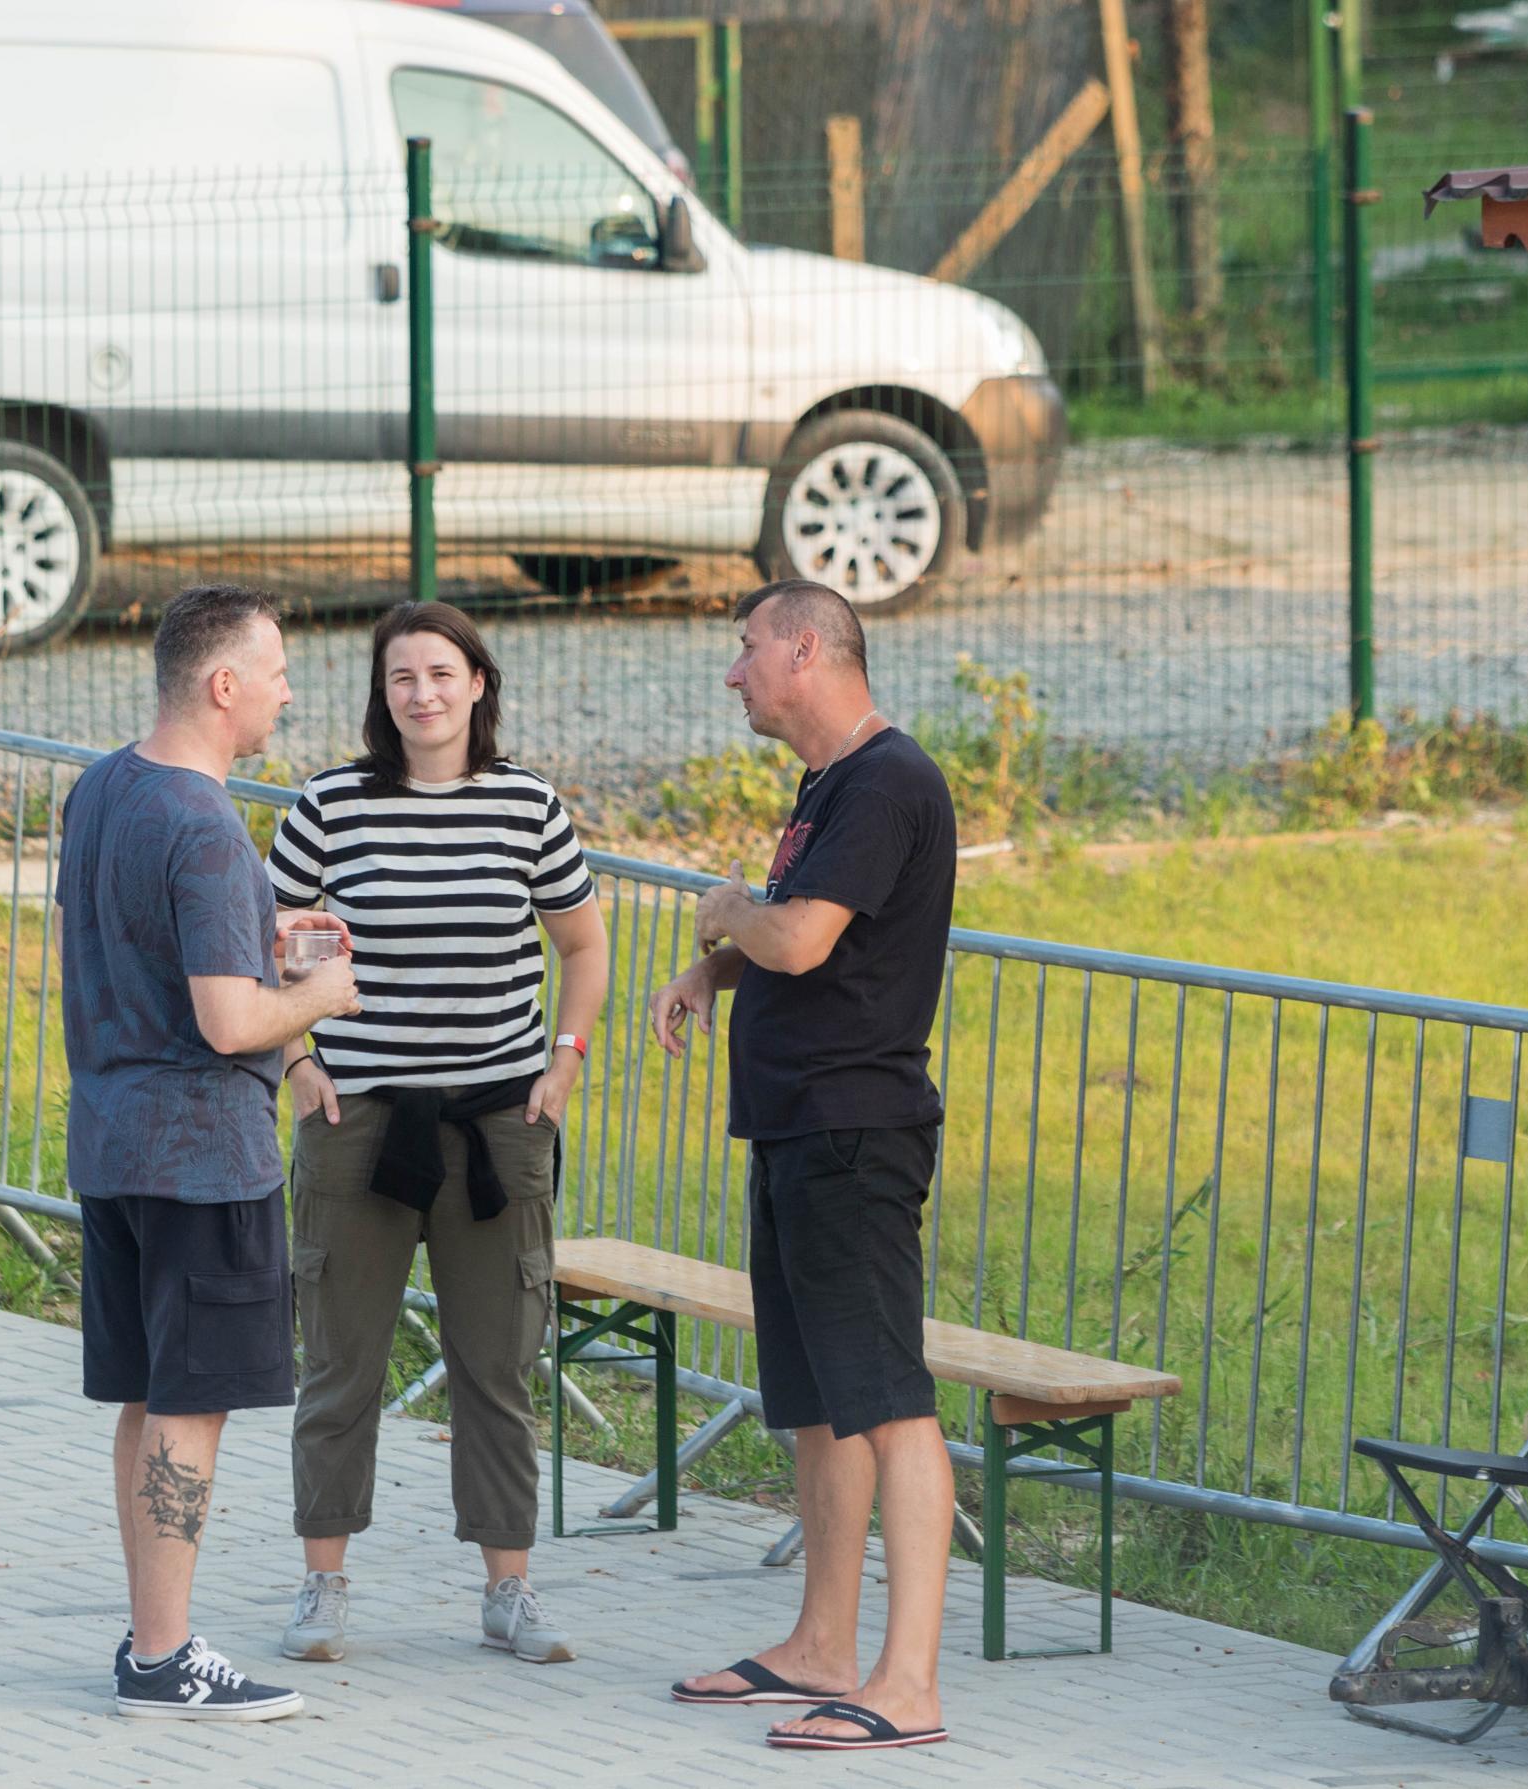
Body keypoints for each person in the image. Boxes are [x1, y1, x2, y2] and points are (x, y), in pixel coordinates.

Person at [265, 600, 610, 1666]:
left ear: (478, 683)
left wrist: (563, 1060)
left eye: (441, 673)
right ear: (382, 694)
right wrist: (297, 1060)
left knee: (497, 1365)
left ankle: (509, 1589)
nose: (422, 693)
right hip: (358, 1122)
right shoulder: (330, 805)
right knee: (341, 1363)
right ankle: (323, 1583)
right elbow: (260, 940)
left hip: (496, 1126)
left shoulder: (528, 806)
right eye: (402, 676)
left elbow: (584, 944)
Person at [648, 579, 958, 1754]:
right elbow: (811, 935)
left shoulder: (885, 781)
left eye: (747, 649)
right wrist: (712, 970)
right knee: (822, 1404)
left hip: (854, 1134)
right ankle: (823, 1644)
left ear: (807, 651)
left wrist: (729, 910)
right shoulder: (830, 785)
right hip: (796, 1131)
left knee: (889, 1402)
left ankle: (908, 1682)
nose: (734, 673)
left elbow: (799, 934)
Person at [53, 584, 361, 1721]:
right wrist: (323, 991)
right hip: (202, 1156)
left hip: (113, 1140)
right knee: (190, 1406)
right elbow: (231, 1022)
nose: (288, 691)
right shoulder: (208, 824)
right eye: (275, 671)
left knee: (146, 1396)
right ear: (223, 684)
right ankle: (165, 1656)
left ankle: (150, 1638)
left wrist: (248, 939)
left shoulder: (102, 787)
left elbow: (115, 939)